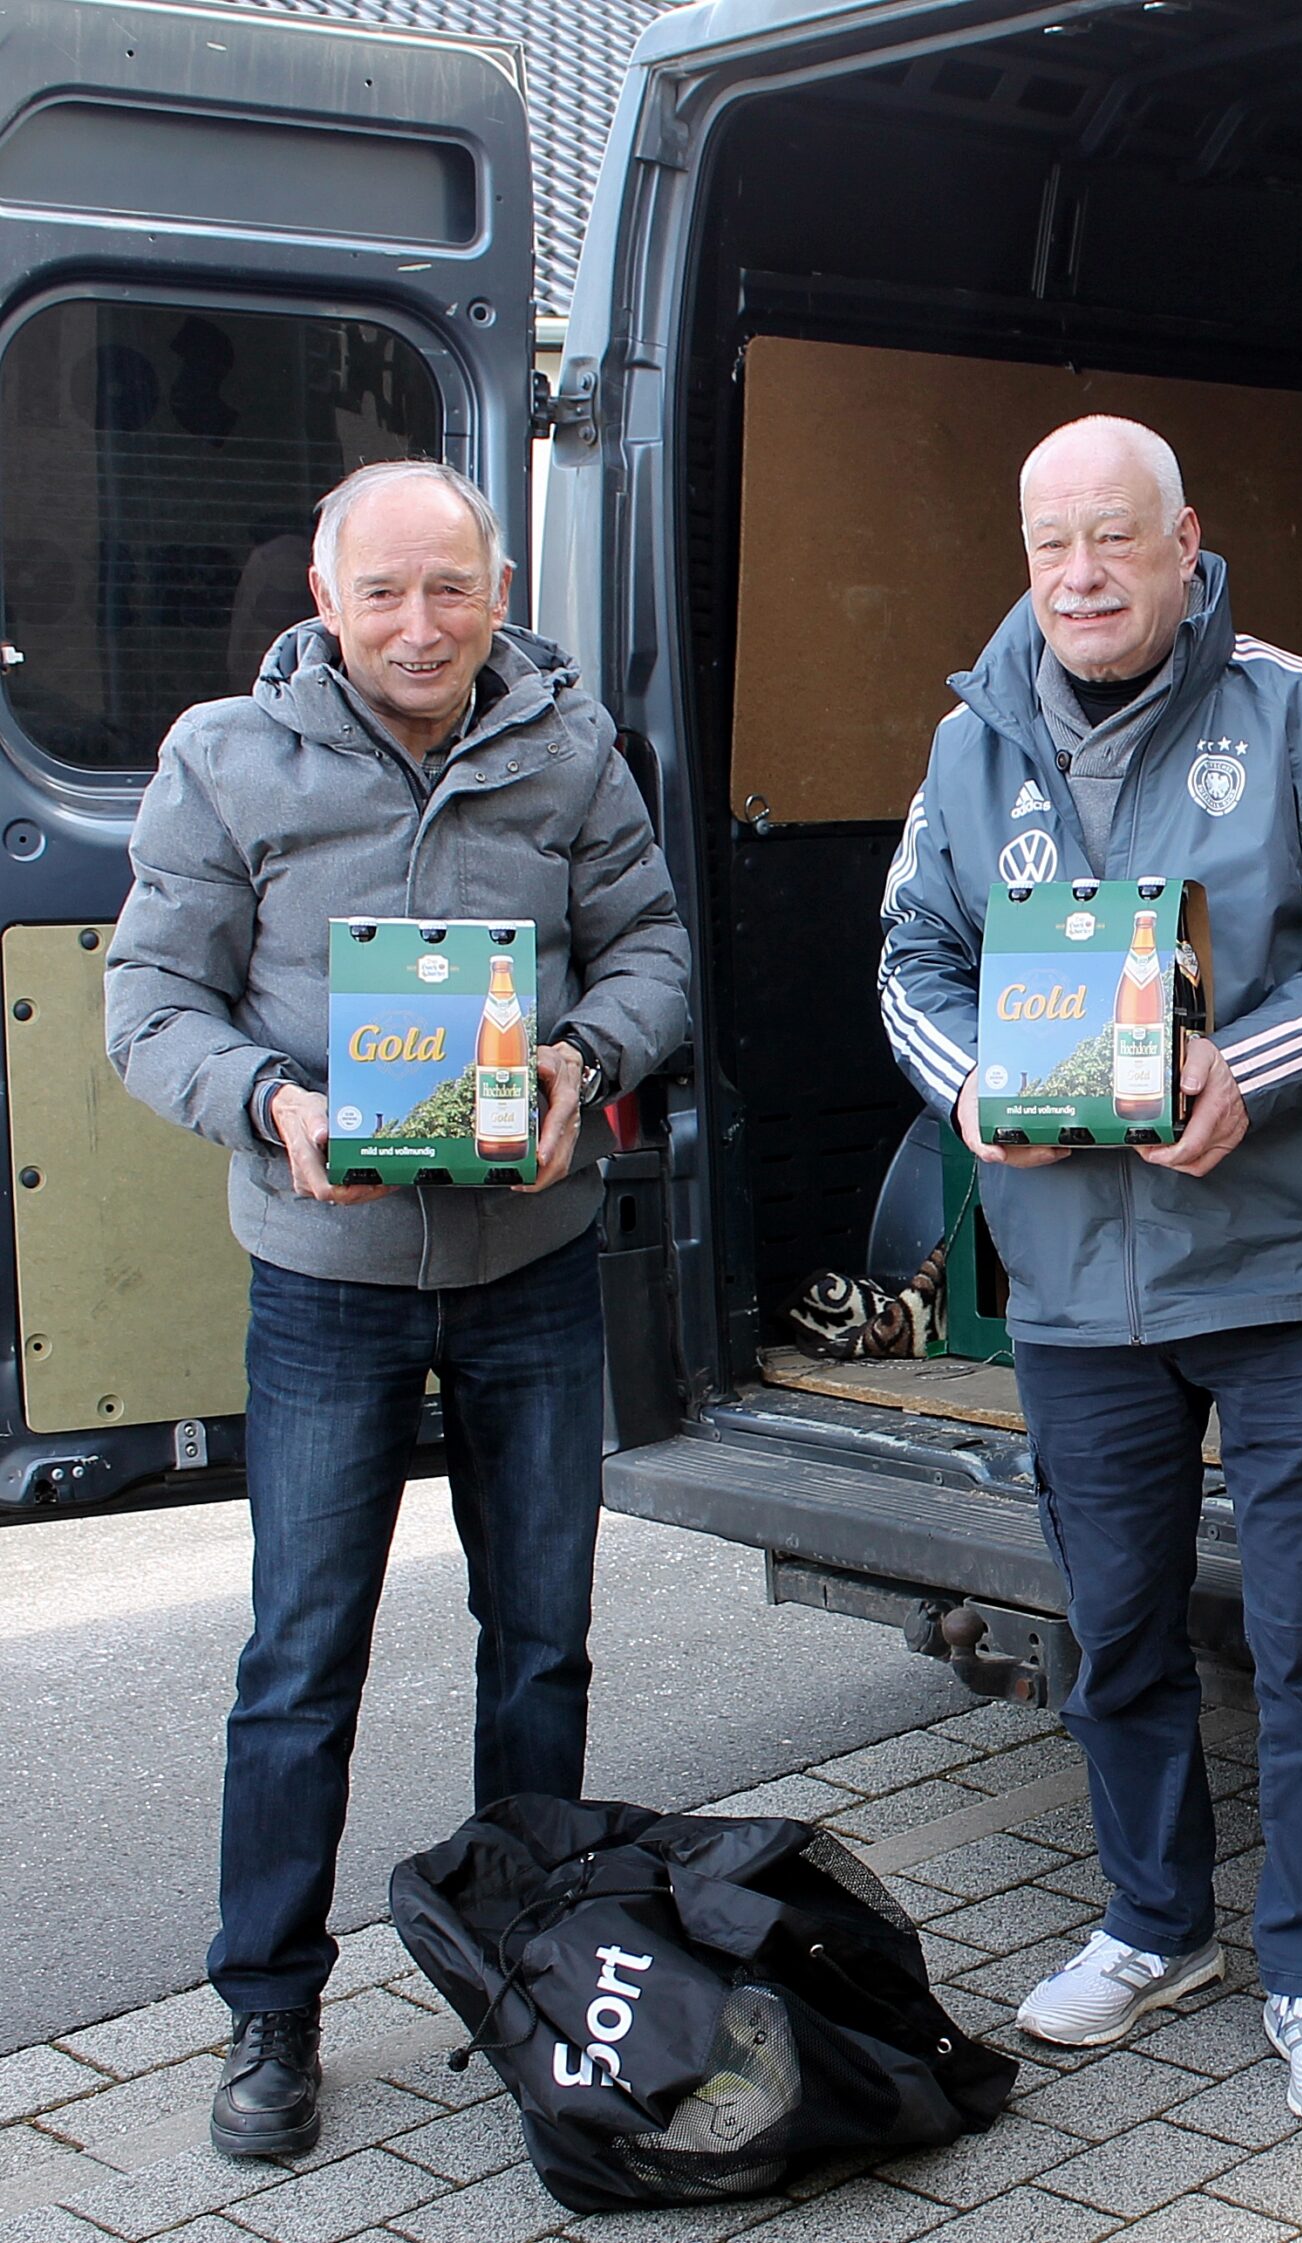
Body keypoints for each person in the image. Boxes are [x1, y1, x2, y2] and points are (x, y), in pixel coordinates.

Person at [104, 458, 691, 2160]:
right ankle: (270, 2011)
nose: (420, 626)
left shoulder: (572, 752)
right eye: (383, 593)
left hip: (531, 1269)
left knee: (543, 1642)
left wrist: (584, 1061)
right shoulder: (227, 759)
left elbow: (651, 953)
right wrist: (271, 1104)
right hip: (325, 1285)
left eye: (451, 589)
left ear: (500, 588)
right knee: (301, 1659)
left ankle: (533, 1974)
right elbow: (148, 1000)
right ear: (324, 595)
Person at [879, 415, 1302, 2122]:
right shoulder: (968, 748)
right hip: (1073, 1289)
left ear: (1185, 541)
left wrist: (1247, 1071)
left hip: (1276, 1268)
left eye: (1113, 539)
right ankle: (1152, 1926)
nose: (1080, 576)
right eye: (1050, 544)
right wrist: (972, 1083)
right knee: (1116, 1629)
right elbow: (912, 957)